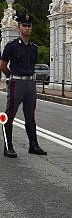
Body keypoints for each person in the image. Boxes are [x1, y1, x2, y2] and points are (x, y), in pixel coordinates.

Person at [0, 13, 47, 157]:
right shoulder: (11, 46)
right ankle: (8, 147)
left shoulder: (34, 47)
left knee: (30, 116)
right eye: (24, 25)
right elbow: (2, 65)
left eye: (29, 25)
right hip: (17, 83)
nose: (27, 28)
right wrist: (11, 76)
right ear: (19, 27)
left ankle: (33, 145)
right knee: (10, 115)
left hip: (30, 84)